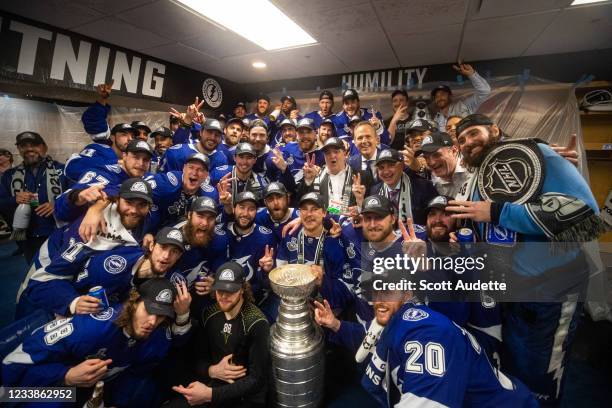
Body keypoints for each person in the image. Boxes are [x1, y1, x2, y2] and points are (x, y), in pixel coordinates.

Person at [446, 113, 605, 406]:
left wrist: (497, 213)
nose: (468, 142)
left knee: (540, 377)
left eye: (474, 133)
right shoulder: (483, 173)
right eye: (462, 139)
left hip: (550, 293)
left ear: (494, 130)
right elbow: (489, 226)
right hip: (508, 293)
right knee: (513, 371)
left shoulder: (537, 154)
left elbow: (589, 219)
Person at [358, 270, 538, 408]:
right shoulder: (395, 323)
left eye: (388, 290)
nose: (380, 299)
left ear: (407, 295)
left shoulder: (425, 330)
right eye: (377, 291)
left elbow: (429, 402)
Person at [4, 278, 192, 407]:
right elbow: (11, 369)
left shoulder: (155, 334)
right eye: (149, 311)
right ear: (133, 302)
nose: (152, 321)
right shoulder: (89, 329)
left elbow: (176, 344)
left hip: (98, 390)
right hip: (45, 388)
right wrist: (65, 376)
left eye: (160, 316)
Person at [16, 178, 155, 319]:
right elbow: (43, 280)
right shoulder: (89, 231)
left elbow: (113, 187)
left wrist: (149, 235)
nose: (134, 210)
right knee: (32, 315)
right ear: (118, 200)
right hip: (50, 265)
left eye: (142, 205)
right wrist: (73, 301)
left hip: (82, 273)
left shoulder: (146, 216)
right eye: (129, 203)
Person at [169, 261, 270, 408]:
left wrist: (209, 395)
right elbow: (198, 357)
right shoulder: (210, 313)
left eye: (231, 291)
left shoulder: (256, 323)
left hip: (243, 397)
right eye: (219, 290)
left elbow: (257, 379)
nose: (223, 296)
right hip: (213, 383)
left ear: (242, 289)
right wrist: (210, 371)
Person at [0, 131, 67, 264]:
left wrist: (58, 203)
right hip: (27, 237)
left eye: (34, 145)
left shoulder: (63, 170)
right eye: (24, 146)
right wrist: (15, 199)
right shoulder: (9, 176)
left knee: (62, 270)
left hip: (58, 233)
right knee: (36, 272)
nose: (29, 149)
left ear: (44, 147)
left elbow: (76, 195)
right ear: (19, 149)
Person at [54, 139, 153, 222]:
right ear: (124, 156)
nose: (141, 163)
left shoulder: (146, 177)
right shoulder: (101, 174)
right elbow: (59, 211)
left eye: (146, 159)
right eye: (136, 157)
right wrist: (78, 197)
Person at [65, 81, 136, 183]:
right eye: (124, 134)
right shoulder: (100, 149)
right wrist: (116, 163)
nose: (130, 139)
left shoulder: (134, 157)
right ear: (112, 137)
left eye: (132, 136)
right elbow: (72, 169)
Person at [220, 191, 277, 305]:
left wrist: (267, 271)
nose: (245, 213)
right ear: (234, 208)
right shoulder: (221, 233)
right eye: (241, 207)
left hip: (252, 299)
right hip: (221, 295)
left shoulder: (266, 238)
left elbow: (266, 284)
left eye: (251, 209)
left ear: (256, 211)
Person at [299, 136, 373, 214]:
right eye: (328, 153)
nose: (332, 156)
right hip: (326, 224)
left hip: (352, 223)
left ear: (345, 153)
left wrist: (360, 204)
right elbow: (302, 204)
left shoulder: (362, 177)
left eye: (336, 151)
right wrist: (308, 180)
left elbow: (371, 210)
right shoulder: (316, 177)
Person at [371, 148, 437, 225]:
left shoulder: (423, 187)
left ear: (402, 165)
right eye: (381, 168)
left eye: (391, 165)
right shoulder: (375, 191)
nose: (386, 171)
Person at [431, 61, 491, 131]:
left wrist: (471, 74)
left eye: (443, 94)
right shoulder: (436, 119)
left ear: (450, 96)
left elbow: (484, 91)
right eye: (436, 96)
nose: (439, 98)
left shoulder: (463, 106)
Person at [159, 118, 228, 174]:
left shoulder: (221, 159)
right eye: (209, 132)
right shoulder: (177, 153)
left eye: (217, 135)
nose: (213, 137)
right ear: (201, 132)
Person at [416, 131, 469, 197]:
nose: (432, 162)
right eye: (426, 157)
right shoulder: (435, 185)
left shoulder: (472, 170)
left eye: (436, 155)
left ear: (454, 151)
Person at [281, 118, 325, 184]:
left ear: (315, 135)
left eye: (308, 132)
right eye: (301, 132)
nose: (305, 136)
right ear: (296, 135)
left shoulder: (323, 156)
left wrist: (316, 177)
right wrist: (283, 169)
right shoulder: (289, 148)